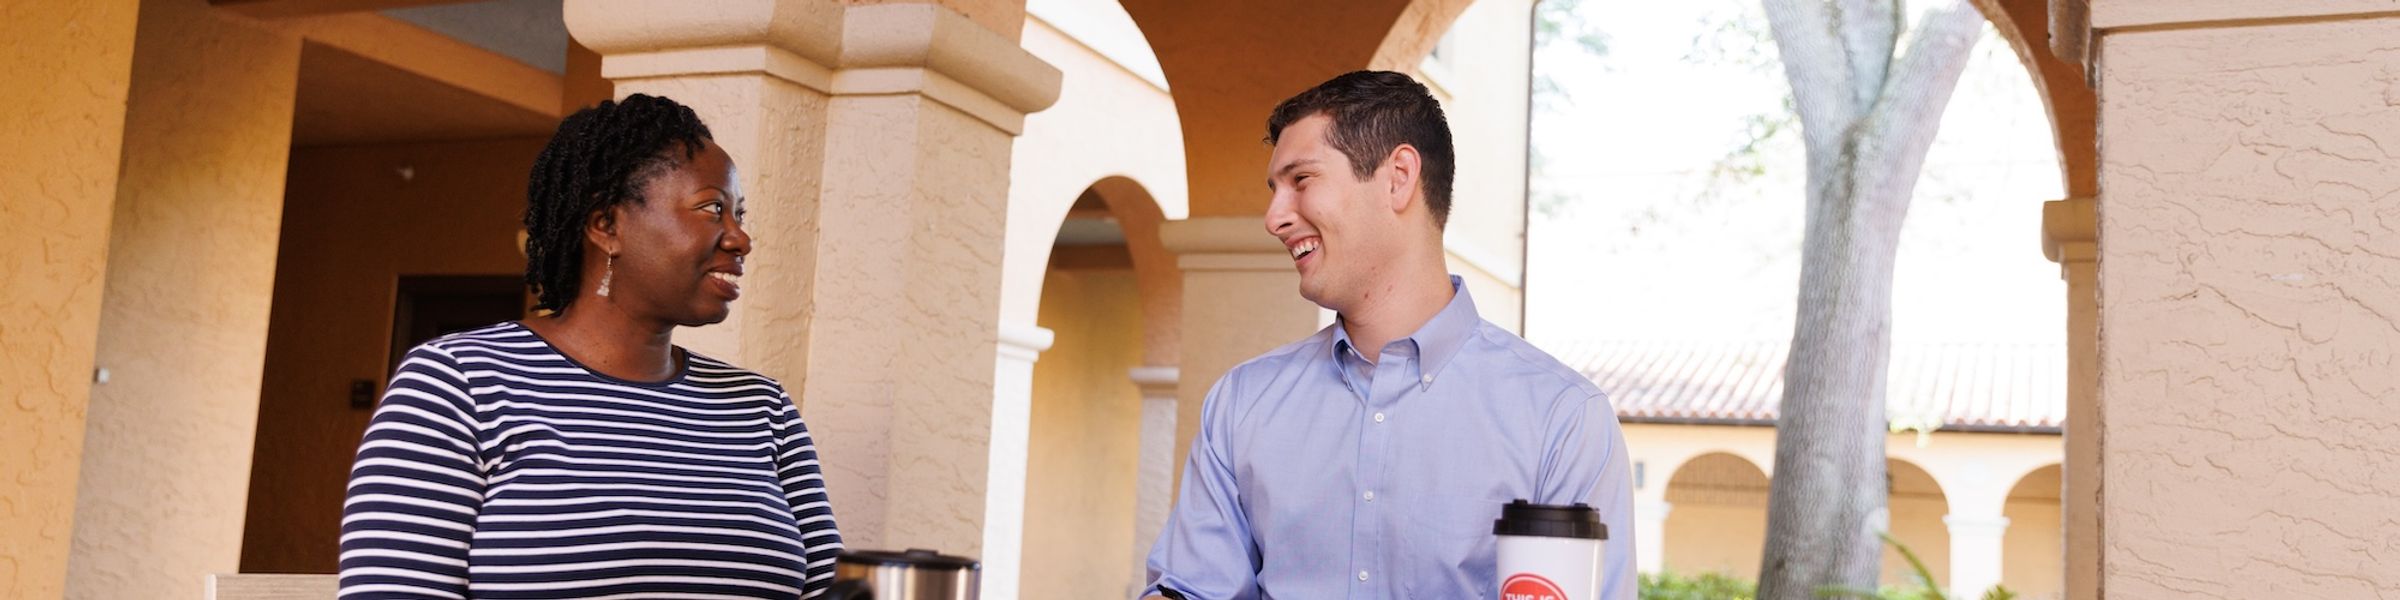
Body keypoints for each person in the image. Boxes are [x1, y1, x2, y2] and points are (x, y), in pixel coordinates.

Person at [1141, 71, 1635, 599]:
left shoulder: (1562, 420)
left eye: (1301, 180)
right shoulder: (1241, 405)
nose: (1274, 218)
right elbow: (1190, 588)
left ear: (1398, 177)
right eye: (1274, 190)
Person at [336, 94, 844, 599]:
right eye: (713, 209)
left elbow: (831, 591)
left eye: (739, 214)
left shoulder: (762, 407)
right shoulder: (457, 383)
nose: (740, 239)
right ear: (607, 225)